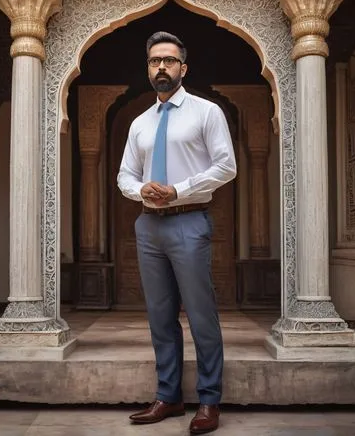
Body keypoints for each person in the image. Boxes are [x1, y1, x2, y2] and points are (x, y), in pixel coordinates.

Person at [117, 31, 237, 435]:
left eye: (169, 60)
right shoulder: (139, 123)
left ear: (183, 68)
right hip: (148, 226)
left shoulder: (207, 112)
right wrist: (140, 190)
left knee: (201, 316)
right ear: (148, 69)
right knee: (160, 317)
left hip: (189, 220)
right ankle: (168, 397)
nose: (161, 67)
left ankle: (208, 400)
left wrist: (178, 190)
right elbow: (124, 175)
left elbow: (226, 167)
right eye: (154, 61)